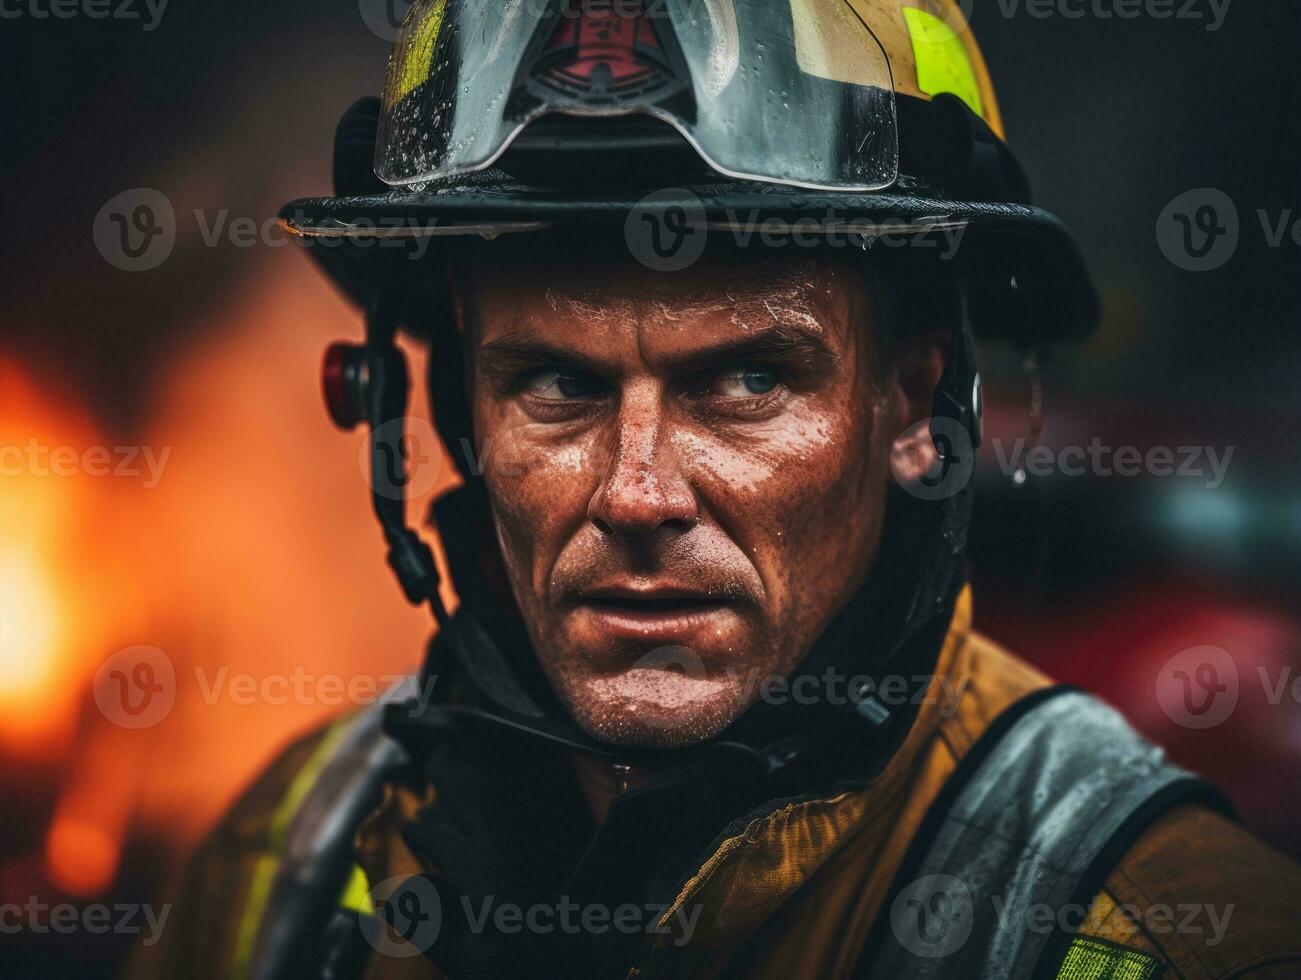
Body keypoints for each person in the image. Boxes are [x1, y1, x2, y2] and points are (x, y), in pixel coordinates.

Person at [138, 1, 1301, 977]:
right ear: (453, 415)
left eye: (746, 377)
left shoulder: (1157, 926)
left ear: (908, 403)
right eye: (554, 382)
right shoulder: (281, 870)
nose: (636, 493)